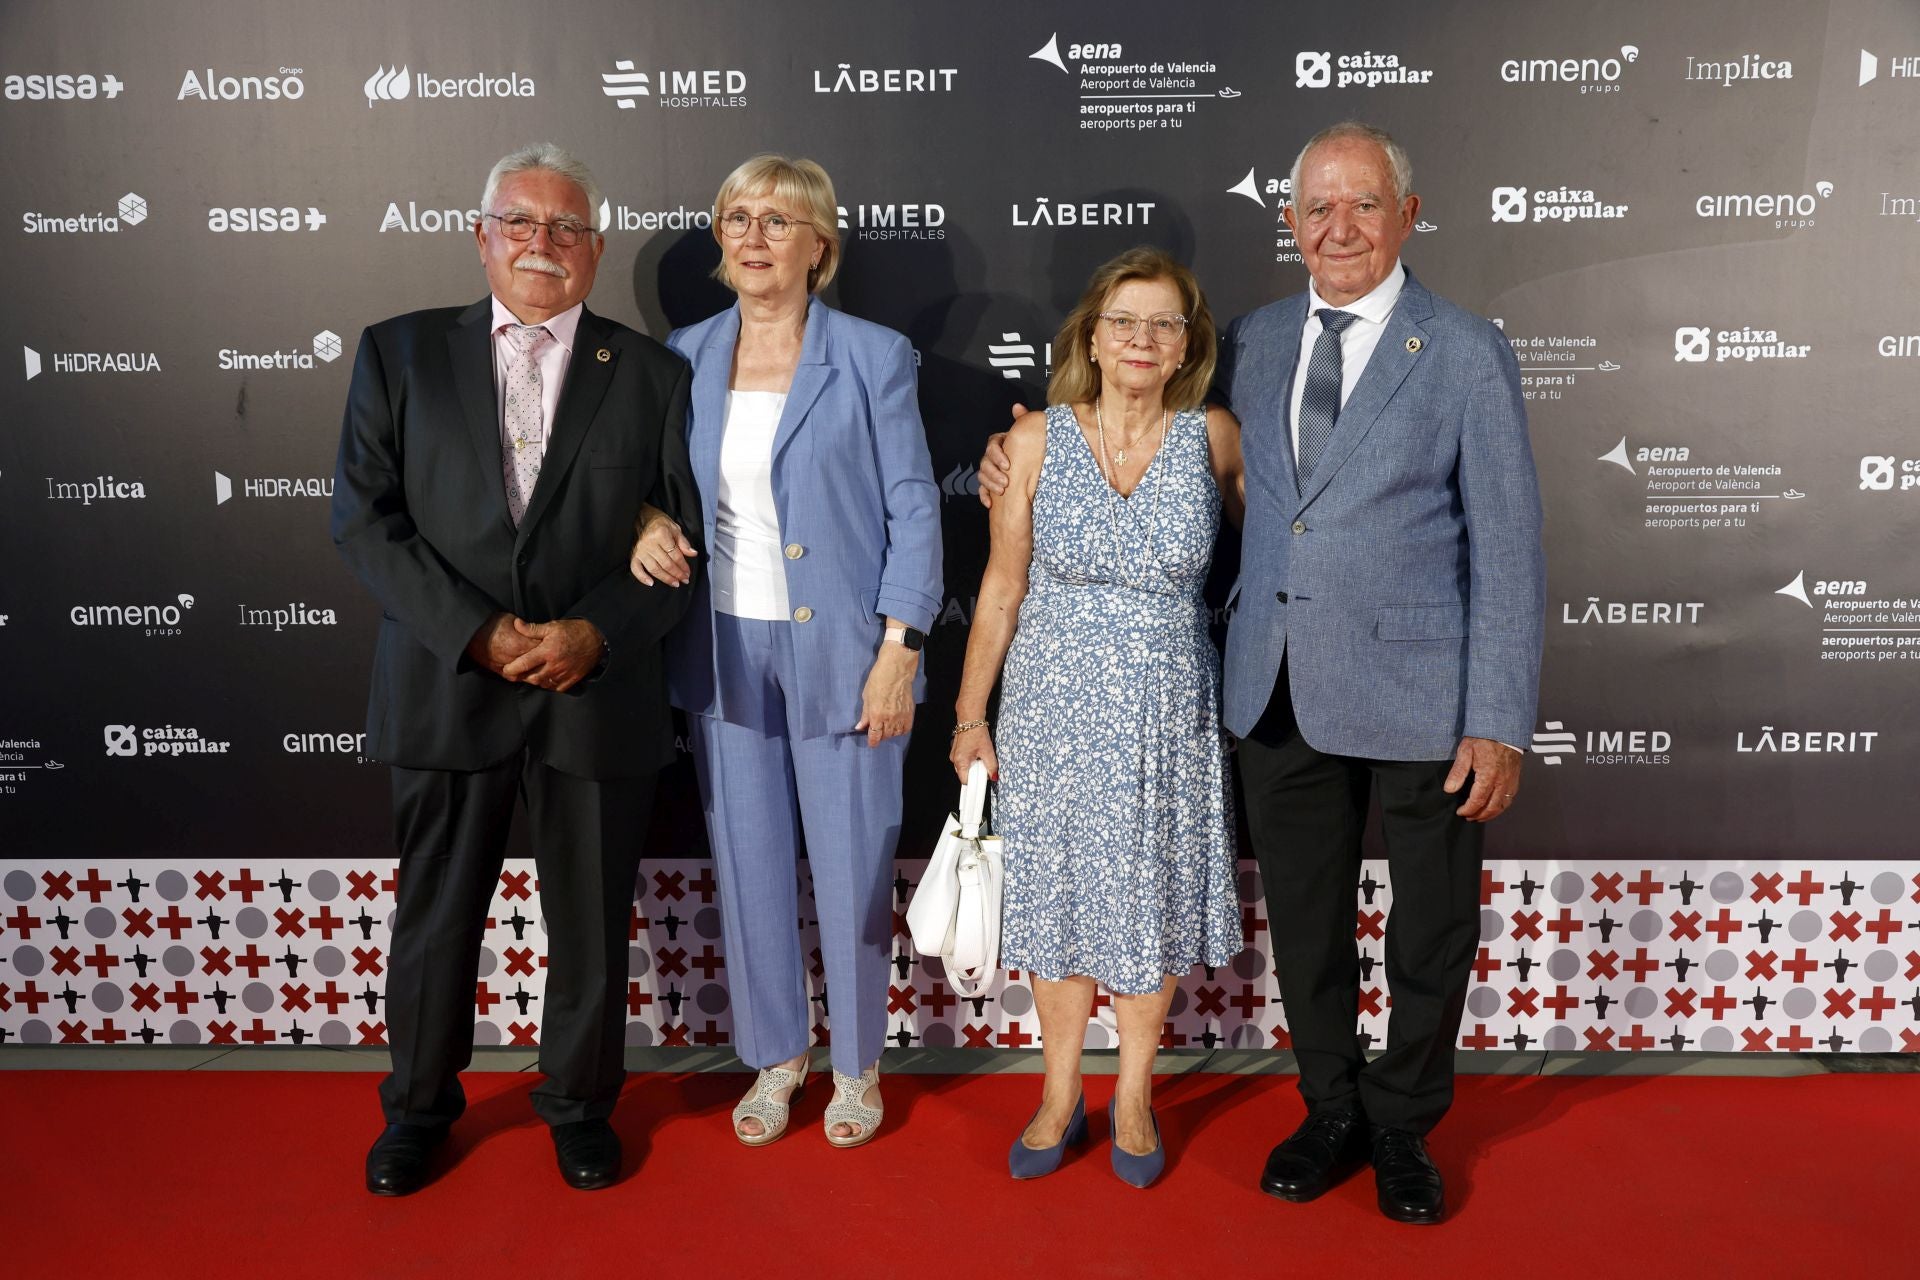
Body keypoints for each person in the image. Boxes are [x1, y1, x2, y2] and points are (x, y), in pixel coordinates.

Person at [980, 122, 1544, 1222]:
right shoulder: (1252, 337)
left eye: (1364, 204)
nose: (1340, 227)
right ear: (1289, 224)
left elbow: (1512, 545)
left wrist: (1501, 717)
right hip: (1273, 685)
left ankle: (1404, 1123)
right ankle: (1329, 1103)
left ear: (1407, 215)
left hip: (1428, 696)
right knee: (1307, 918)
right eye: (1317, 208)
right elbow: (1142, 412)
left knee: (1429, 925)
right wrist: (1021, 448)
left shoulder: (1466, 349)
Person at [331, 142, 697, 1195]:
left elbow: (680, 549)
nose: (545, 244)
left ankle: (580, 1104)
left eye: (568, 228)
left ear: (594, 248)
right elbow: (365, 522)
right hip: (451, 683)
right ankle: (417, 1109)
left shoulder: (651, 373)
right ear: (482, 236)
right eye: (522, 224)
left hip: (596, 690)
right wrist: (481, 632)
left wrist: (597, 631)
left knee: (589, 922)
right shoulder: (397, 354)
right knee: (437, 914)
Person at [627, 155, 941, 1149]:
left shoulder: (872, 354)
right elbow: (645, 483)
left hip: (847, 652)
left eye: (777, 219)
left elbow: (913, 506)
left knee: (851, 867)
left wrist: (901, 646)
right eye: (737, 218)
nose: (753, 236)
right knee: (748, 859)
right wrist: (641, 518)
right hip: (720, 649)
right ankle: (775, 1055)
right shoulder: (682, 352)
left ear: (820, 245)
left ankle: (856, 1063)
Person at [949, 247, 1243, 1189]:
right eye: (1125, 320)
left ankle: (1134, 1093)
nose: (1143, 339)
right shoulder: (1034, 441)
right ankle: (1059, 1089)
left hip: (1168, 709)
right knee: (1062, 900)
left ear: (1188, 343)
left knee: (1148, 903)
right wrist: (968, 713)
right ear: (1092, 335)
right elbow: (1001, 586)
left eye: (1164, 323)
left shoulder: (1216, 438)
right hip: (1050, 705)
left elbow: (1279, 557)